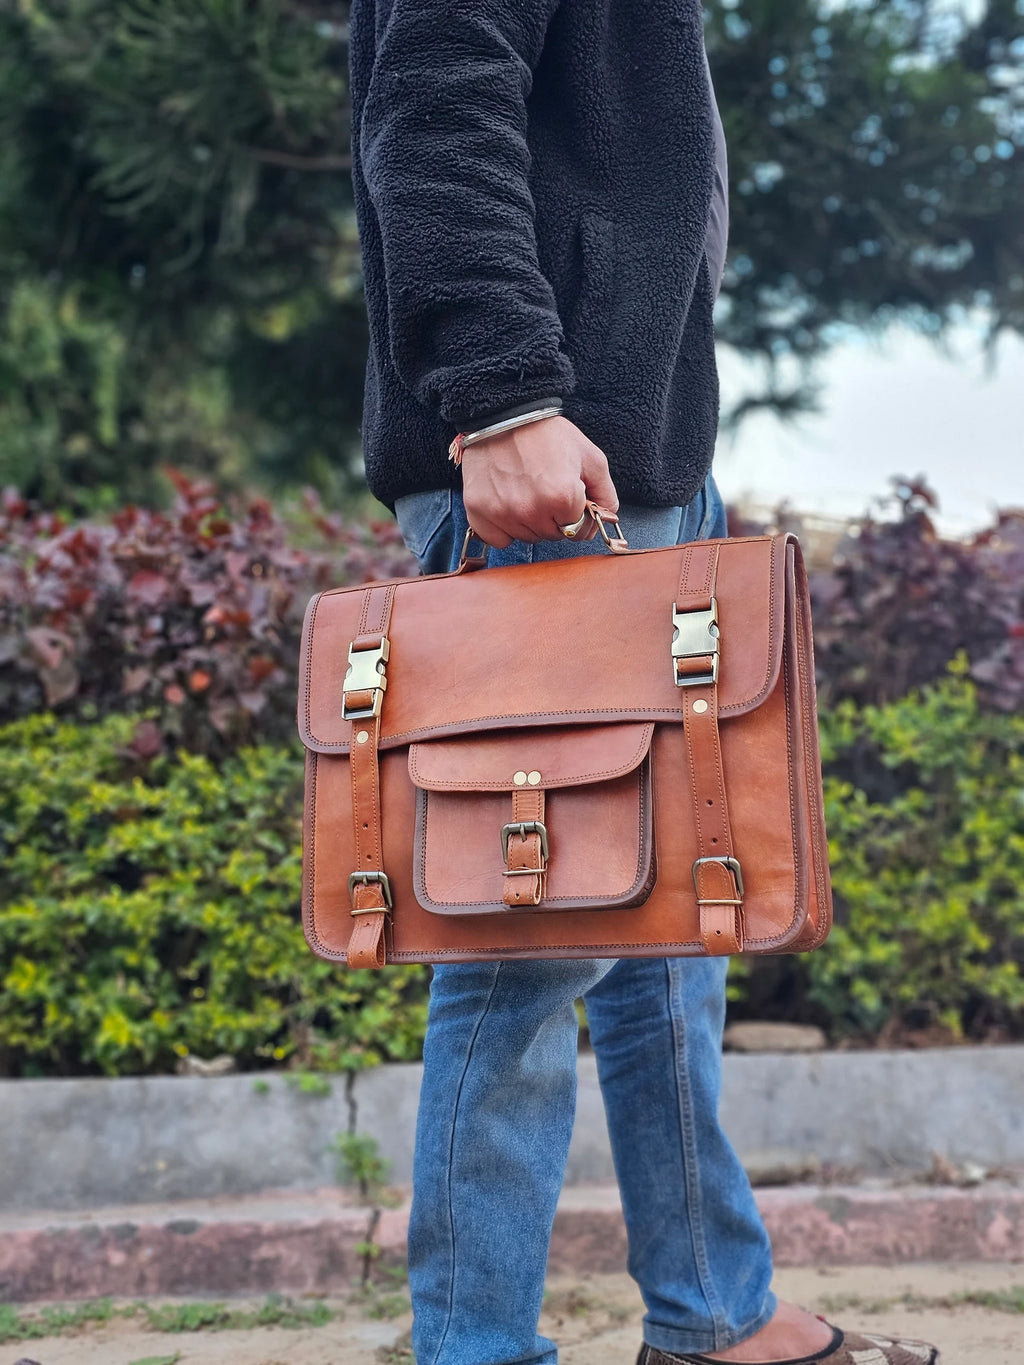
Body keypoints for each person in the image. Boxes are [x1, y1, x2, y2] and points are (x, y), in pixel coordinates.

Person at [347, 3, 940, 1363]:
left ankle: (713, 1309)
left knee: (673, 932)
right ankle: (476, 1346)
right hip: (541, 453)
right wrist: (497, 393)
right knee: (522, 943)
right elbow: (435, 94)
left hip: (634, 456)